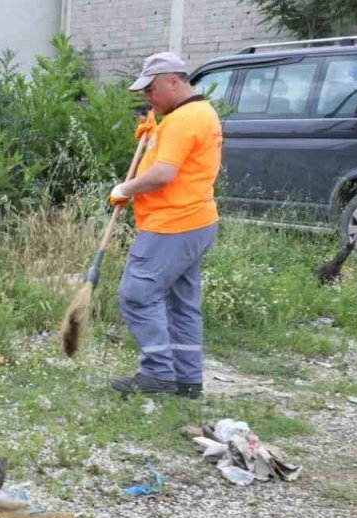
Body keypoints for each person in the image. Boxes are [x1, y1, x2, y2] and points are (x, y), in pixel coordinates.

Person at [107, 52, 223, 399]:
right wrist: (154, 133)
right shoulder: (200, 114)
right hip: (196, 221)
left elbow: (164, 173)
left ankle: (157, 373)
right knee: (180, 302)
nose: (147, 98)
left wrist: (124, 188)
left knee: (137, 294)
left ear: (174, 81)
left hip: (172, 224)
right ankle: (188, 380)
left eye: (151, 89)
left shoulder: (184, 120)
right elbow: (175, 160)